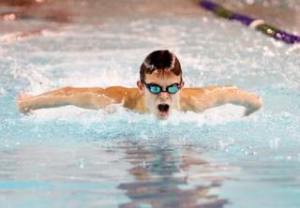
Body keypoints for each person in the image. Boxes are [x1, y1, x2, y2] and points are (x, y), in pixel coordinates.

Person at [17, 50, 262, 119]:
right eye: (155, 87)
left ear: (181, 85)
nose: (164, 96)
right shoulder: (118, 102)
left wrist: (250, 110)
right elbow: (69, 94)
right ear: (141, 86)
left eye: (172, 88)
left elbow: (232, 93)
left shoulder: (195, 103)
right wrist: (28, 103)